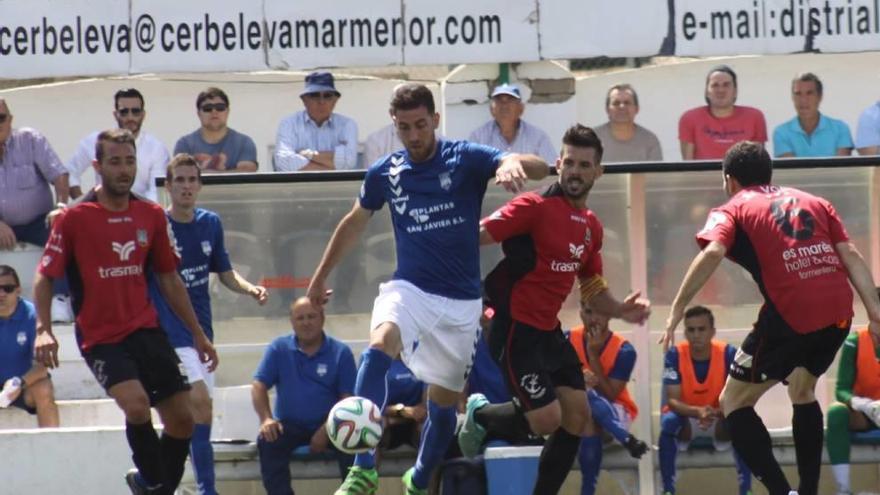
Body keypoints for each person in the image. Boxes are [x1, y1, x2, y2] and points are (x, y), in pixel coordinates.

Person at [306, 83, 550, 495]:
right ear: (395, 126)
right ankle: (363, 468)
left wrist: (512, 162)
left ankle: (418, 481)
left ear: (435, 120)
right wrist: (318, 277)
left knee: (442, 405)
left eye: (421, 125)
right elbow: (354, 221)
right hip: (411, 289)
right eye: (405, 128)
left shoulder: (465, 158)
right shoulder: (386, 172)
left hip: (461, 306)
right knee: (379, 345)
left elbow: (540, 167)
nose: (414, 136)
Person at [660, 140, 880, 495]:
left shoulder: (731, 207)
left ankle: (781, 491)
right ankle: (808, 490)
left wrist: (675, 309)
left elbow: (713, 250)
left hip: (792, 312)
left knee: (733, 401)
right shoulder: (815, 201)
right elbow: (850, 254)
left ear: (729, 180)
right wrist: (875, 312)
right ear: (769, 174)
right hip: (839, 309)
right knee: (802, 388)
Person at [458, 124, 650, 495]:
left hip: (547, 331)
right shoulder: (534, 206)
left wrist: (621, 311)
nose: (575, 171)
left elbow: (592, 287)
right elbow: (475, 236)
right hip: (514, 328)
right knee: (548, 419)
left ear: (598, 171)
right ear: (558, 164)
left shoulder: (592, 226)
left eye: (584, 164)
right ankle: (479, 414)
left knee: (577, 418)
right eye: (570, 163)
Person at [32, 129, 218, 495]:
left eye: (129, 161)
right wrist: (43, 328)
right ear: (98, 166)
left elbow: (169, 278)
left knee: (183, 420)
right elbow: (44, 276)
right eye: (115, 162)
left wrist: (197, 334)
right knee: (136, 405)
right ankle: (157, 484)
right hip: (101, 338)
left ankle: (150, 485)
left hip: (147, 331)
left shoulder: (149, 215)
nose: (123, 169)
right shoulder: (74, 218)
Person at [149, 153, 268, 495]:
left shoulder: (210, 223)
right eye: (180, 181)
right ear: (168, 186)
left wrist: (250, 288)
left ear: (200, 184)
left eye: (192, 180)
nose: (186, 186)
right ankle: (206, 490)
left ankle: (157, 481)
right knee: (200, 406)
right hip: (170, 335)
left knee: (194, 419)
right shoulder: (158, 226)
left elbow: (224, 272)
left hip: (203, 336)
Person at [251, 297, 357, 495]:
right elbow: (258, 385)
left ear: (322, 318)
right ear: (292, 322)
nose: (306, 322)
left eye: (311, 316)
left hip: (332, 425)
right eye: (300, 318)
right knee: (268, 440)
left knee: (353, 441)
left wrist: (326, 430)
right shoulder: (278, 348)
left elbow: (347, 400)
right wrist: (266, 419)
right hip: (290, 425)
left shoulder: (341, 352)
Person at [659, 305, 750, 495]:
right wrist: (697, 412)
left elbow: (738, 396)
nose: (696, 335)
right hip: (687, 420)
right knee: (668, 423)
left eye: (701, 329)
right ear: (685, 332)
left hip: (719, 420)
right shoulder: (674, 355)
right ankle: (667, 490)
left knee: (742, 423)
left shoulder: (728, 354)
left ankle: (746, 490)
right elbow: (673, 401)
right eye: (691, 330)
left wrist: (714, 413)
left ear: (712, 332)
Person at [0, 97, 71, 322]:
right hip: (2, 224)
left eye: (1, 118)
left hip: (39, 220)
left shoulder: (30, 140)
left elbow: (59, 175)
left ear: (10, 120)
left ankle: (61, 299)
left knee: (63, 228)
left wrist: (61, 205)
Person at [568, 299, 649, 495]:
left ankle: (587, 490)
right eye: (588, 312)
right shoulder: (567, 339)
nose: (593, 318)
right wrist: (577, 380)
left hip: (616, 412)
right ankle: (628, 439)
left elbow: (611, 394)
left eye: (599, 312)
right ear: (580, 313)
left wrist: (593, 356)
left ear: (609, 315)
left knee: (589, 410)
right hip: (576, 412)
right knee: (585, 402)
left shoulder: (625, 350)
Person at [66, 88, 170, 201]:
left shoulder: (157, 148)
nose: (130, 117)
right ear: (115, 114)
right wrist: (83, 203)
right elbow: (69, 172)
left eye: (135, 111)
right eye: (124, 112)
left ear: (143, 115)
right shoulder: (96, 140)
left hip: (142, 213)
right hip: (101, 211)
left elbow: (156, 191)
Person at [826, 289, 880, 495]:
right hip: (864, 414)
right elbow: (841, 390)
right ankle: (843, 489)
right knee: (836, 412)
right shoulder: (855, 342)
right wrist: (862, 404)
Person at [0, 264, 59, 427]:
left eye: (8, 288)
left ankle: (51, 446)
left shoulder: (34, 316)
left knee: (44, 388)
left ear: (18, 290)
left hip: (22, 386)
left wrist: (18, 383)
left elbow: (43, 365)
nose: (1, 294)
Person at [274, 71, 358, 171]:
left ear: (335, 100)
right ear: (304, 100)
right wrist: (332, 166)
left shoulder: (347, 125)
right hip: (299, 186)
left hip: (335, 187)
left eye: (327, 96)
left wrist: (308, 155)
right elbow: (283, 162)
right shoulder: (289, 124)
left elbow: (349, 162)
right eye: (315, 95)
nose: (321, 102)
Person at [678, 66, 767, 160]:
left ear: (735, 91)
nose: (721, 90)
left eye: (726, 85)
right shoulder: (690, 118)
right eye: (715, 85)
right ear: (707, 92)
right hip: (703, 174)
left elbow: (758, 162)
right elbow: (688, 165)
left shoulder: (754, 117)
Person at [174, 87, 259, 173]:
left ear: (228, 111)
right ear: (199, 114)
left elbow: (246, 172)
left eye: (220, 107)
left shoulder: (244, 143)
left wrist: (202, 173)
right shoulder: (184, 144)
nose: (214, 112)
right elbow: (181, 175)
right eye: (207, 108)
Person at [468, 83, 557, 165]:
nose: (504, 105)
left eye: (510, 100)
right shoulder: (478, 137)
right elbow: (470, 170)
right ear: (492, 110)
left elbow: (551, 168)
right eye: (499, 100)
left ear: (521, 109)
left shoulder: (538, 137)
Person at [772, 73, 853, 158]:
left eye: (809, 93)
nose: (803, 100)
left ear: (820, 96)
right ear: (792, 97)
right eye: (798, 94)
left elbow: (841, 168)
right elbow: (790, 169)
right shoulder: (781, 133)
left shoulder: (840, 129)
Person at [593, 84, 663, 162]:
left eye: (627, 103)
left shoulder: (650, 140)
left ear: (637, 109)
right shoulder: (592, 139)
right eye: (616, 103)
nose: (622, 107)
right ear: (607, 110)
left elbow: (655, 174)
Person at [377, 356, 426, 460]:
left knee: (429, 429)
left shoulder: (423, 356)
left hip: (416, 422)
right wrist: (399, 411)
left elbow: (425, 407)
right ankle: (366, 474)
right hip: (389, 421)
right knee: (373, 429)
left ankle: (425, 475)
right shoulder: (375, 359)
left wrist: (415, 413)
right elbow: (372, 406)